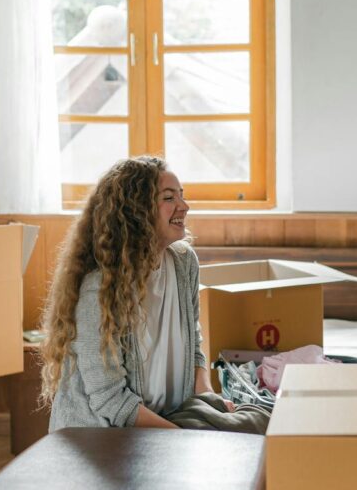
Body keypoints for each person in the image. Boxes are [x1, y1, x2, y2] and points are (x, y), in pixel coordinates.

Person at [40, 156, 223, 430]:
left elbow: (193, 345)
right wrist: (181, 438)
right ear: (137, 211)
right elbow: (111, 401)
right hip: (98, 440)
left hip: (164, 426)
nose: (184, 207)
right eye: (169, 198)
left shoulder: (185, 263)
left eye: (182, 196)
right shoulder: (98, 288)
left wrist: (208, 398)